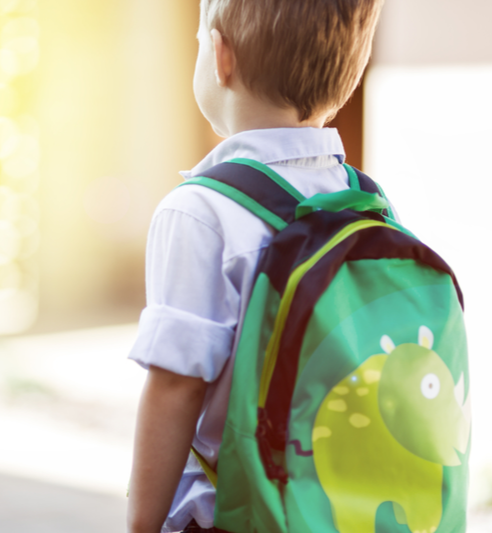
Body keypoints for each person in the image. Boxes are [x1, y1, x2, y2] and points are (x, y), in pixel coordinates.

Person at [127, 1, 384, 532]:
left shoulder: (201, 210)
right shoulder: (368, 205)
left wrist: (140, 525)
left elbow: (177, 386)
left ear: (220, 56)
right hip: (342, 513)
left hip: (239, 516)